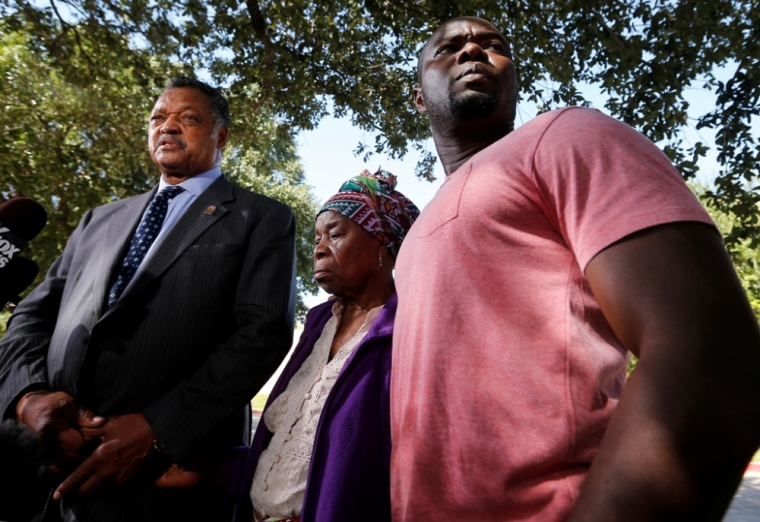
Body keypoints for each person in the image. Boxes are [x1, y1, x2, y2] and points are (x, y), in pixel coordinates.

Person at [391, 16, 760, 522]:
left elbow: (715, 356)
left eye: (493, 45)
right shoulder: (414, 234)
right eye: (449, 47)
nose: (474, 50)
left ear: (516, 80)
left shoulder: (566, 137)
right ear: (417, 95)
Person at [0, 77, 297, 521]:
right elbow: (32, 314)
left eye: (188, 118)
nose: (168, 127)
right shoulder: (98, 219)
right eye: (158, 117)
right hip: (48, 469)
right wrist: (28, 398)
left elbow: (262, 333)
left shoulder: (262, 217)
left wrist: (158, 430)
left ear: (221, 136)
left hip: (160, 481)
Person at [226, 170, 419, 522]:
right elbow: (283, 442)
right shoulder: (318, 323)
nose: (318, 248)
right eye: (317, 237)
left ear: (380, 241)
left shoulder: (408, 330)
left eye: (335, 234)